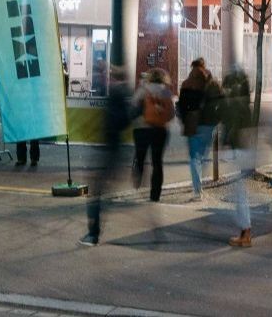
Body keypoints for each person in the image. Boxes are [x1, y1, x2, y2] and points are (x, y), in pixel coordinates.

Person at [82, 66, 133, 247]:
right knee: (99, 192)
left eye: (106, 75)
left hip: (111, 150)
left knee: (96, 193)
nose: (104, 78)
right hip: (113, 148)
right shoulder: (121, 93)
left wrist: (108, 128)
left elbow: (119, 120)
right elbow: (126, 120)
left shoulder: (116, 94)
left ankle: (93, 234)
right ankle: (93, 232)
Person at [220, 67, 254, 247]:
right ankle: (244, 230)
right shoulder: (245, 103)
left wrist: (227, 144)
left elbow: (231, 127)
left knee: (240, 194)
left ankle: (245, 232)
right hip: (243, 149)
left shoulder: (234, 104)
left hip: (237, 151)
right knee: (239, 192)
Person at [132, 68, 175, 202]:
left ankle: (137, 176)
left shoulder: (143, 89)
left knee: (140, 157)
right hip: (160, 130)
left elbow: (133, 106)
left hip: (141, 129)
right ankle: (155, 195)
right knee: (157, 163)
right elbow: (172, 114)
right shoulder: (166, 92)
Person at [177, 58, 213, 200]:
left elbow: (181, 106)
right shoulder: (209, 81)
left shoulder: (187, 83)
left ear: (192, 66)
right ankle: (200, 181)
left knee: (194, 158)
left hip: (192, 123)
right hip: (208, 124)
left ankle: (198, 190)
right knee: (203, 156)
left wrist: (184, 120)